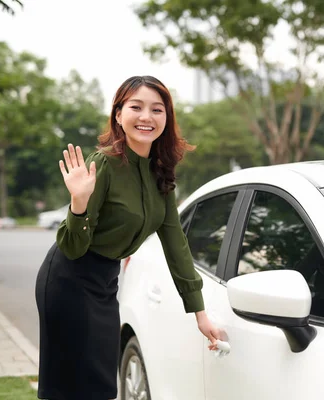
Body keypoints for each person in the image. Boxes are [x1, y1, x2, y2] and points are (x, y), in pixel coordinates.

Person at [35, 75, 221, 400]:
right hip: (69, 278)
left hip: (106, 281)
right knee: (72, 387)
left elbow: (176, 243)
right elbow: (72, 245)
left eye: (157, 109)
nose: (146, 117)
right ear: (119, 115)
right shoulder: (103, 164)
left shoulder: (160, 171)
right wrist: (78, 203)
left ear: (167, 118)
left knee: (102, 384)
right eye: (136, 107)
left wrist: (199, 313)